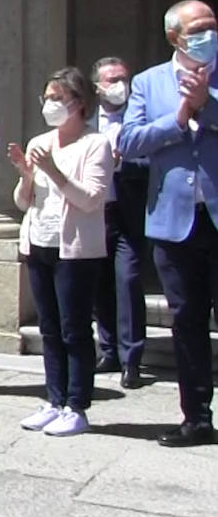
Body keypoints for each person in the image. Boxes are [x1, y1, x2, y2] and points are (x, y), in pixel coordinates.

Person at [118, 0, 218, 447]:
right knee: (187, 320)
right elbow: (129, 140)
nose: (208, 34)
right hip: (174, 222)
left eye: (213, 26)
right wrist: (180, 116)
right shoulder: (148, 82)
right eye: (199, 28)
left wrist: (206, 107)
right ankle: (196, 418)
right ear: (175, 36)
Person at [9, 67, 112, 437]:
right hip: (40, 244)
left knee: (74, 329)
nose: (51, 105)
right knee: (49, 328)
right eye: (47, 98)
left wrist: (53, 171)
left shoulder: (94, 144)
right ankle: (54, 400)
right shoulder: (40, 140)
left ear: (79, 103)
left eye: (58, 98)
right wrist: (25, 174)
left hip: (76, 252)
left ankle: (77, 405)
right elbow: (24, 202)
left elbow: (92, 199)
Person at [91, 57, 147, 389]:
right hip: (96, 212)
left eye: (123, 78)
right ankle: (108, 349)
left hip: (128, 212)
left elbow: (152, 154)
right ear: (97, 85)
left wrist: (123, 161)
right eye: (111, 80)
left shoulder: (139, 118)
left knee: (127, 280)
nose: (119, 85)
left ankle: (132, 359)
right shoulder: (86, 122)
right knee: (100, 283)